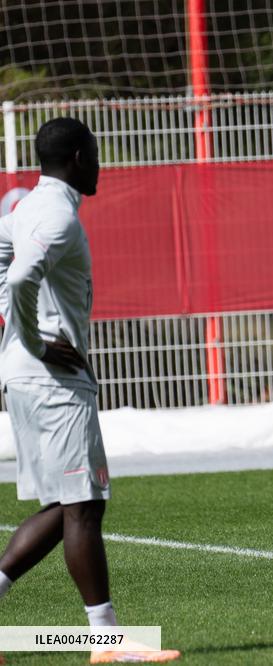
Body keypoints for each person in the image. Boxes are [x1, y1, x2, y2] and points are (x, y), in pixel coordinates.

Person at [0, 118, 180, 663]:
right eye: (97, 153)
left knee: (65, 502)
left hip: (25, 375)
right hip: (52, 378)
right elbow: (20, 275)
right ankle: (106, 641)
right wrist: (31, 340)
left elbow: (4, 262)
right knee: (84, 504)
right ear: (79, 156)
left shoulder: (27, 205)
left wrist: (10, 348)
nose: (101, 163)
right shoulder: (54, 214)